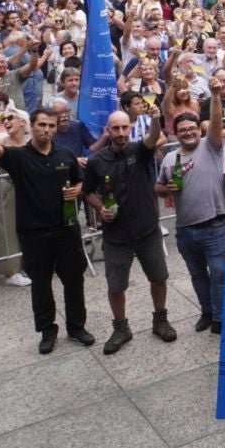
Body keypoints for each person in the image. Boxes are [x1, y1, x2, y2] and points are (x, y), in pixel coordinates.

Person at [0, 108, 94, 354]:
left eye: (51, 125)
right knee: (41, 285)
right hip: (34, 233)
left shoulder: (65, 153)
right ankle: (47, 331)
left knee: (74, 281)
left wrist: (78, 190)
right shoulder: (18, 157)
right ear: (32, 125)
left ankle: (76, 327)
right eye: (42, 124)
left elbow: (80, 180)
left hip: (67, 230)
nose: (47, 130)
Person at [81, 102, 176, 355]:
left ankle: (160, 320)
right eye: (116, 128)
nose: (121, 132)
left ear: (130, 128)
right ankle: (121, 328)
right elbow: (87, 191)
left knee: (158, 277)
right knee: (115, 286)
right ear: (107, 130)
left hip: (147, 229)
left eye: (125, 127)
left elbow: (153, 137)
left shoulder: (139, 150)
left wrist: (156, 119)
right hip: (116, 236)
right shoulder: (96, 161)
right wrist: (100, 208)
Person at [158, 89, 225, 335]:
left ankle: (220, 317)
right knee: (197, 275)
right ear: (175, 134)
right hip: (186, 229)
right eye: (183, 130)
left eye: (192, 128)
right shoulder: (169, 158)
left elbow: (217, 122)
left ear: (200, 129)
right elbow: (158, 187)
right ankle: (206, 312)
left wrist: (216, 96)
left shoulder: (211, 147)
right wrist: (165, 188)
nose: (188, 132)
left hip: (215, 225)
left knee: (219, 273)